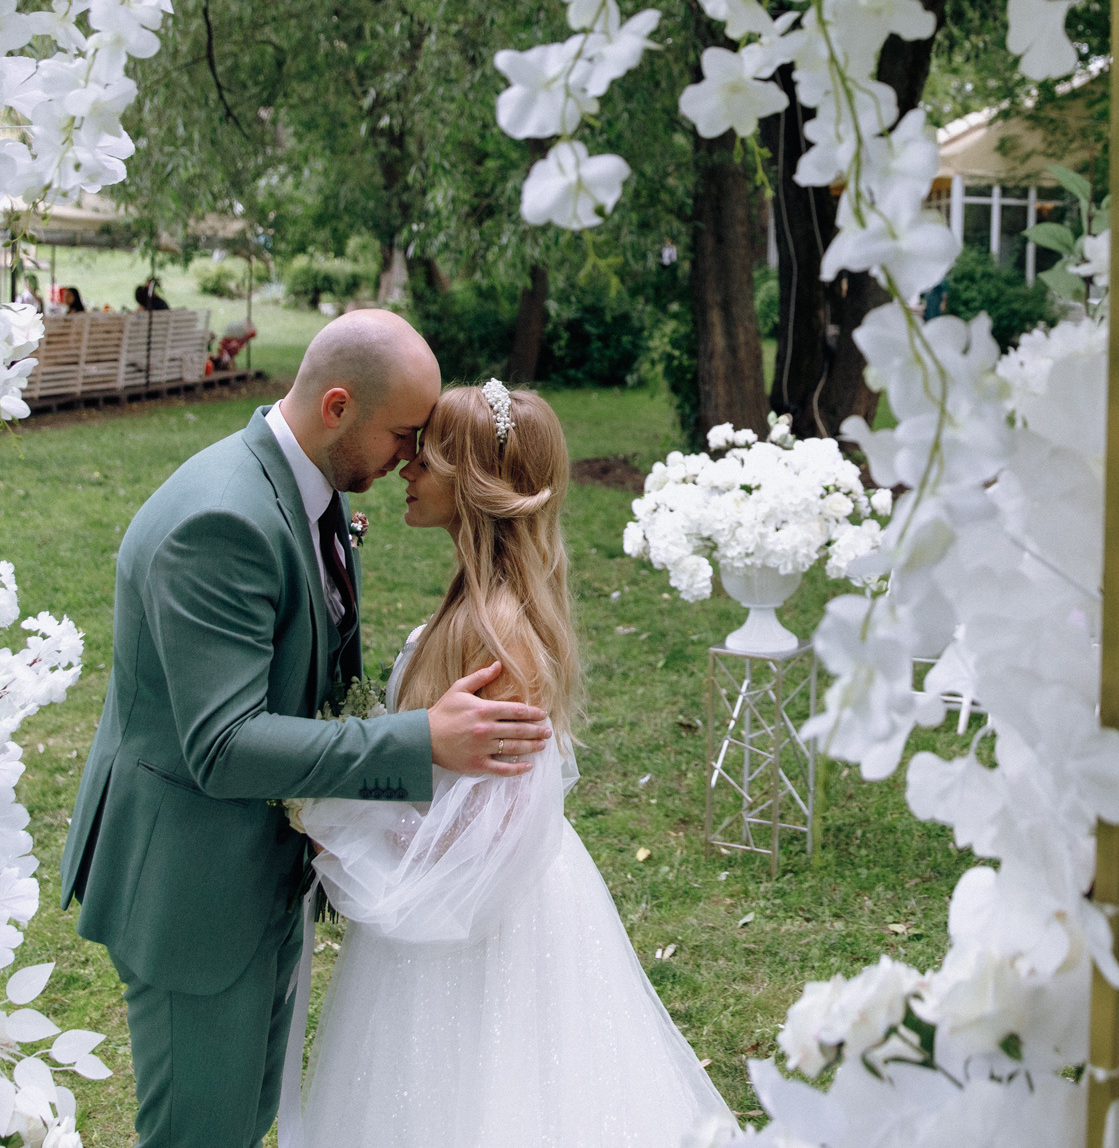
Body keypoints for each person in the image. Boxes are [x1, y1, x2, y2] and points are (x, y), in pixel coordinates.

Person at [58, 312, 556, 1148]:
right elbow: (223, 746)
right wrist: (418, 740)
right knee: (198, 1133)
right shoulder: (223, 520)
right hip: (194, 891)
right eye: (404, 434)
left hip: (258, 873)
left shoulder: (311, 489)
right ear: (336, 406)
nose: (413, 456)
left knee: (243, 1118)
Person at [292, 381, 733, 1147]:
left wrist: (344, 826)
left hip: (480, 928)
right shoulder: (476, 604)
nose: (406, 469)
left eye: (425, 458)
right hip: (472, 907)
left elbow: (485, 829)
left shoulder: (497, 635)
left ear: (474, 484)